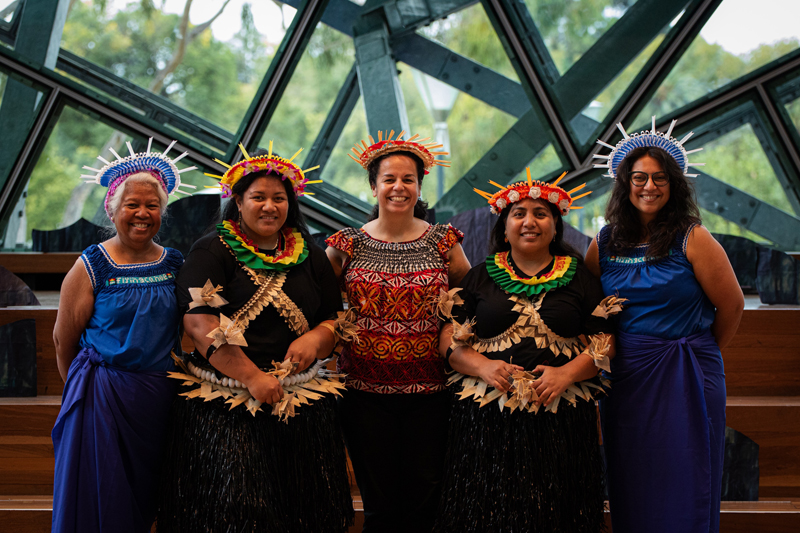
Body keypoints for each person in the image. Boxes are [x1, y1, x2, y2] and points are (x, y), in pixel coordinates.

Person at [157, 144, 353, 533]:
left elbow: (336, 319)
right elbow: (199, 324)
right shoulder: (212, 251)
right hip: (226, 405)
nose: (269, 206)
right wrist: (251, 377)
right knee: (238, 513)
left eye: (278, 198)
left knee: (303, 510)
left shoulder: (310, 255)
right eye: (258, 197)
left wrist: (316, 339)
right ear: (238, 201)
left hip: (300, 402)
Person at [586, 118, 744, 533]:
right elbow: (588, 306)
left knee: (689, 477)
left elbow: (732, 305)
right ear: (625, 183)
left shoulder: (694, 237)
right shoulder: (603, 242)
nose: (649, 187)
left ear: (674, 184)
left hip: (688, 369)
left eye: (659, 178)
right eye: (639, 178)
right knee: (632, 475)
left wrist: (700, 351)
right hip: (627, 377)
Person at [433, 170, 614, 532]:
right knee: (489, 511)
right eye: (519, 214)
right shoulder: (480, 275)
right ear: (503, 227)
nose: (529, 221)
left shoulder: (580, 277)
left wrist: (566, 374)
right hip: (487, 415)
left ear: (555, 226)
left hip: (561, 416)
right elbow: (448, 340)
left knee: (558, 510)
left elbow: (605, 342)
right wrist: (482, 366)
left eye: (540, 214)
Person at [325, 131, 470, 532]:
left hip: (432, 392)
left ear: (420, 185)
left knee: (426, 502)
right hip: (363, 393)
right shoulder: (346, 244)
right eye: (389, 178)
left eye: (408, 179)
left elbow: (470, 299)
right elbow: (317, 304)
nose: (398, 187)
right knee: (379, 506)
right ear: (373, 186)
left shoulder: (444, 241)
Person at [52, 139, 195, 532]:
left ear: (162, 212)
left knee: (150, 497)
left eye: (152, 205)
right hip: (102, 399)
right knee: (104, 501)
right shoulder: (92, 264)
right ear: (112, 210)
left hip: (159, 399)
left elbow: (195, 326)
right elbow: (63, 340)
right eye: (132, 204)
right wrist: (86, 389)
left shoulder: (175, 264)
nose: (142, 213)